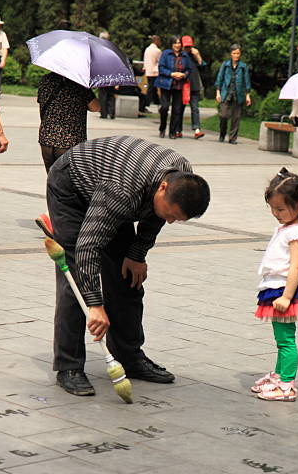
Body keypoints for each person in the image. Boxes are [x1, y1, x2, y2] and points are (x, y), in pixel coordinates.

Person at [46, 135, 210, 396]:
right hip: (73, 186)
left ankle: (130, 357)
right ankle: (69, 366)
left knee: (128, 277)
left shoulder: (183, 176)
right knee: (75, 275)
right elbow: (88, 246)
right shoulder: (123, 191)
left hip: (113, 187)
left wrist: (137, 253)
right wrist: (95, 305)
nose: (169, 222)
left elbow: (155, 218)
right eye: (170, 214)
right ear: (163, 187)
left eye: (177, 219)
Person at [251, 167, 298, 402]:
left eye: (280, 209)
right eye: (272, 208)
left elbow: (295, 267)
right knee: (282, 339)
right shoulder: (290, 227)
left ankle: (286, 384)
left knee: (286, 341)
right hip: (276, 288)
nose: (275, 213)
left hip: (285, 291)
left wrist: (286, 296)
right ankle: (279, 376)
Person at [35, 72, 100, 237]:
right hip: (70, 141)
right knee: (69, 185)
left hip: (47, 138)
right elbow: (96, 107)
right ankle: (52, 219)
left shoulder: (46, 80)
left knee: (53, 181)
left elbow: (41, 106)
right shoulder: (79, 83)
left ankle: (55, 219)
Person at [155, 35, 191, 139]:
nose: (177, 45)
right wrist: (172, 74)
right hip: (166, 83)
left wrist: (184, 75)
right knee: (165, 107)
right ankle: (162, 128)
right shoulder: (166, 53)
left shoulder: (185, 55)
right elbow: (161, 68)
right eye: (175, 43)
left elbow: (189, 69)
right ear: (171, 44)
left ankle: (172, 131)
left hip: (179, 85)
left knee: (177, 109)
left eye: (179, 43)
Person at [214, 43, 251, 144]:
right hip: (226, 93)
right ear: (231, 54)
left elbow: (246, 81)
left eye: (238, 53)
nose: (236, 55)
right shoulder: (225, 65)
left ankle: (232, 138)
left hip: (238, 94)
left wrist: (247, 95)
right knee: (223, 115)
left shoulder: (243, 67)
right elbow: (219, 78)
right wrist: (218, 92)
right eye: (234, 53)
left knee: (236, 117)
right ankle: (222, 134)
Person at [178, 35, 205, 139]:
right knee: (179, 109)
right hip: (182, 86)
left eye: (189, 47)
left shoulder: (194, 56)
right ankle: (178, 129)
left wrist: (198, 56)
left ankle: (197, 129)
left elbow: (203, 66)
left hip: (193, 86)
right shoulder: (179, 56)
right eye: (186, 47)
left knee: (195, 108)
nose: (187, 49)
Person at [98, 31, 116, 119]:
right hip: (111, 74)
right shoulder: (112, 48)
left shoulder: (99, 48)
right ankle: (111, 111)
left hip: (102, 74)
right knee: (111, 94)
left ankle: (103, 113)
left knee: (103, 94)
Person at [143, 34, 161, 110]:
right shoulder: (157, 51)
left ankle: (156, 101)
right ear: (156, 41)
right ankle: (147, 102)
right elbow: (160, 61)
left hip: (148, 70)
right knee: (151, 88)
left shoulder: (147, 49)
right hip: (155, 71)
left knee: (152, 87)